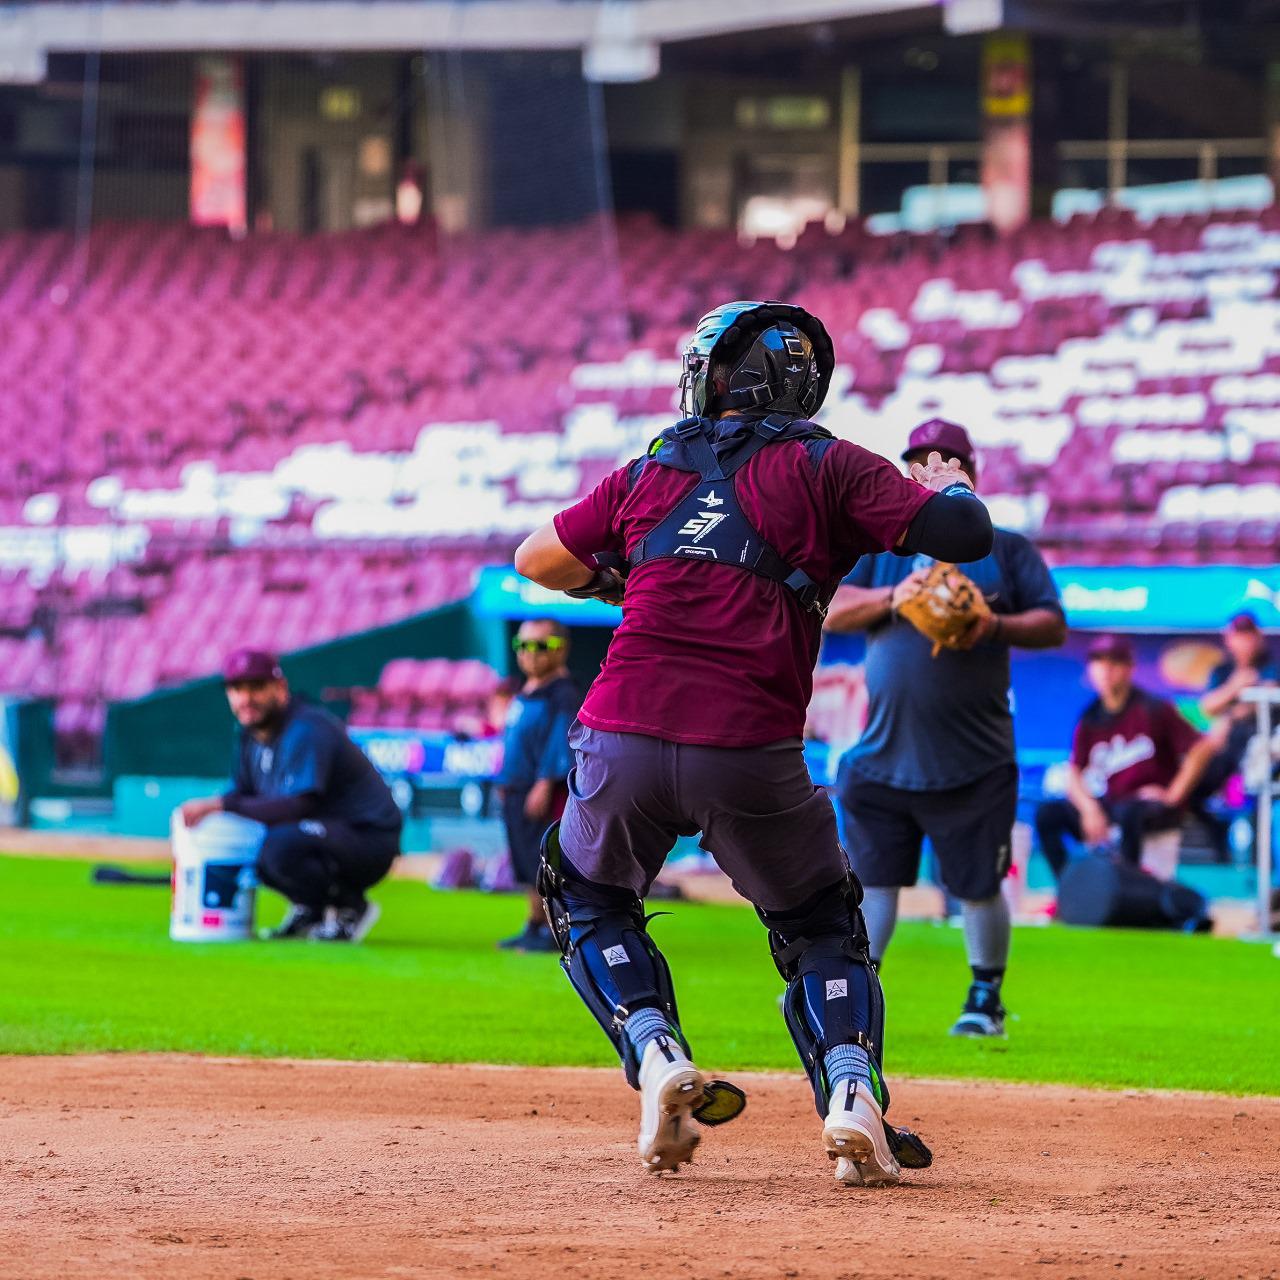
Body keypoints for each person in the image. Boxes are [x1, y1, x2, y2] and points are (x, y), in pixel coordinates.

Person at [512, 300, 993, 1185]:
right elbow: (964, 535)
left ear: (716, 377)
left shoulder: (650, 468)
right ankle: (851, 1092)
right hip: (749, 750)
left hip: (621, 735)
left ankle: (655, 1050)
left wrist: (620, 577)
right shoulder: (833, 464)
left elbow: (536, 560)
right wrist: (949, 481)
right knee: (820, 927)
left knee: (586, 898)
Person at [824, 418, 1067, 1040]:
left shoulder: (1004, 549)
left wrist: (991, 625)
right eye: (920, 461)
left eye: (947, 461)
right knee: (872, 883)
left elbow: (1052, 623)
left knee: (978, 886)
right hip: (882, 756)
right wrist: (895, 597)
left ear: (971, 474)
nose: (931, 470)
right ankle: (856, 993)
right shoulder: (881, 551)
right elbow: (829, 609)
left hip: (974, 760)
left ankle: (985, 999)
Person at [180, 648, 402, 942]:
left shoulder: (307, 729)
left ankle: (350, 907)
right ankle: (311, 911)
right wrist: (217, 809)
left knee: (278, 848)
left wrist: (222, 805)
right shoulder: (248, 736)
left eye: (257, 687)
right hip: (317, 833)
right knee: (260, 849)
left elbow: (300, 805)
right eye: (236, 689)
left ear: (280, 688)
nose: (246, 698)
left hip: (368, 836)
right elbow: (242, 793)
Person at [1034, 635, 1218, 883]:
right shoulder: (1091, 718)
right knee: (1048, 814)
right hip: (1116, 805)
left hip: (1150, 807)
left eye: (1115, 662)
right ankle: (1068, 887)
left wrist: (1173, 795)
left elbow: (1202, 747)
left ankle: (1128, 889)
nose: (1106, 670)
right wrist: (1089, 809)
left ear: (1130, 668)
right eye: (1099, 662)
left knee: (1132, 813)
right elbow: (1074, 771)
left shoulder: (1153, 708)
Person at [495, 618, 579, 952]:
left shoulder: (563, 694)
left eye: (541, 645)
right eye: (523, 645)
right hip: (517, 788)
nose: (530, 653)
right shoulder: (524, 691)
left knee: (545, 861)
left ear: (562, 649)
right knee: (525, 863)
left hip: (541, 793)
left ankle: (555, 929)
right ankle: (534, 924)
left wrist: (544, 783)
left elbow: (561, 744)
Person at [1194, 611, 1280, 804]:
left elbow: (1267, 698)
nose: (1245, 642)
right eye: (1239, 636)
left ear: (1259, 637)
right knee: (1203, 765)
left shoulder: (1272, 667)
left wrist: (1231, 711)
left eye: (1248, 635)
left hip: (1261, 742)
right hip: (1228, 744)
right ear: (1228, 639)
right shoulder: (1222, 670)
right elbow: (1208, 706)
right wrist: (1235, 687)